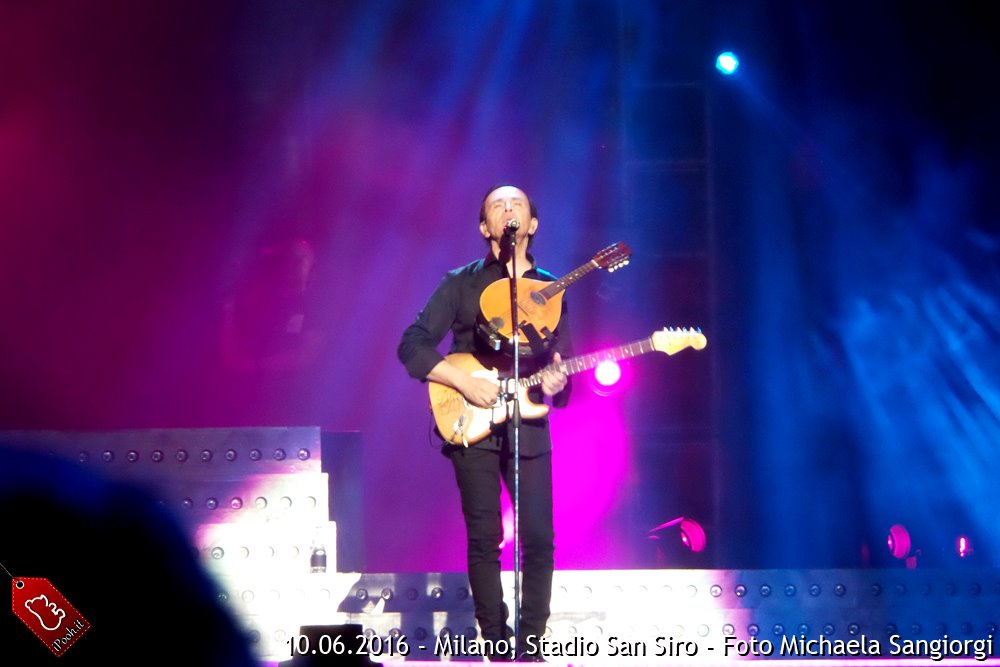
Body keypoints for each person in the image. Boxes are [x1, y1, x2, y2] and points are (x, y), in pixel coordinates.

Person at [397, 184, 572, 661]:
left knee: (539, 537)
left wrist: (557, 381)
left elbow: (563, 367)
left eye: (518, 204)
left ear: (532, 224)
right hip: (470, 419)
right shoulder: (460, 283)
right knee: (484, 536)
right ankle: (495, 641)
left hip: (528, 422)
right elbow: (412, 344)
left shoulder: (552, 289)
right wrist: (462, 381)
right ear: (484, 227)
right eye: (498, 205)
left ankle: (531, 644)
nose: (508, 209)